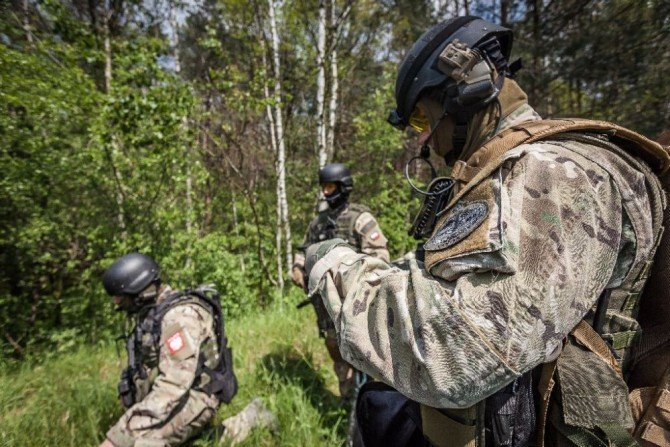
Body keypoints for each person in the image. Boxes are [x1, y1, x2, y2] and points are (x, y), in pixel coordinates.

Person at [304, 16, 670, 447]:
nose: (427, 142)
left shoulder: (551, 175)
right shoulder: (519, 175)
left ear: (468, 87)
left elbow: (456, 352)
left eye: (422, 118)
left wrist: (335, 265)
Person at [100, 253, 275, 447]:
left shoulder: (178, 319)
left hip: (199, 396)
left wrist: (122, 433)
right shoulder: (152, 315)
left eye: (121, 298)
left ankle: (251, 417)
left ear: (139, 294)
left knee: (139, 443)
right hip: (180, 393)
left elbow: (174, 385)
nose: (117, 304)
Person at [292, 162, 390, 400]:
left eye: (329, 187)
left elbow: (380, 256)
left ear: (343, 186)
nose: (325, 192)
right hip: (326, 306)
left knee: (365, 354)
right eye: (323, 187)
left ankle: (372, 399)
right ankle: (347, 398)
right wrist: (297, 269)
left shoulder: (360, 218)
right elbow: (303, 251)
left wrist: (348, 275)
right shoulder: (318, 222)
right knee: (336, 350)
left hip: (356, 303)